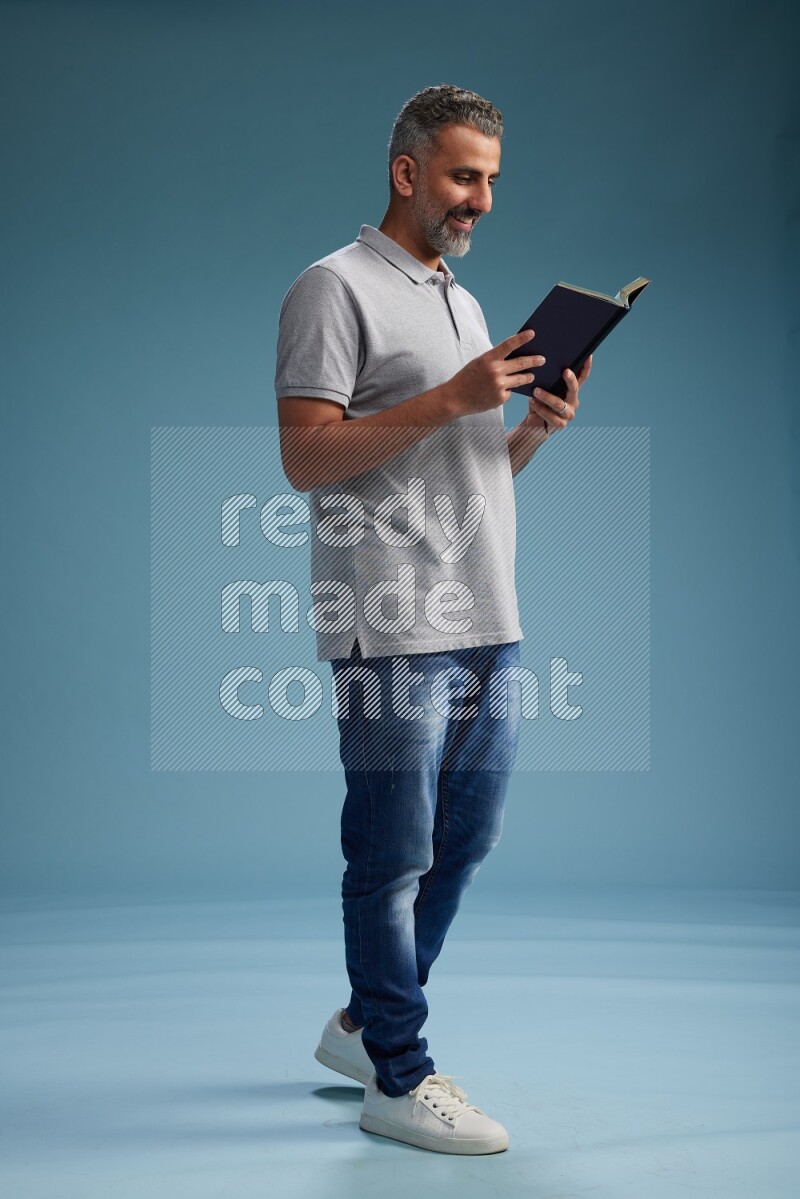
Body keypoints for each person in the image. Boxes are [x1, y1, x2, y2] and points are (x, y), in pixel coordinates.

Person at [275, 83, 591, 1155]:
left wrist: (530, 428)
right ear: (406, 171)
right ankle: (399, 1076)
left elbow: (460, 469)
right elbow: (307, 455)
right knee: (392, 849)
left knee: (466, 836)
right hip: (390, 616)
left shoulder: (458, 297)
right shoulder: (332, 288)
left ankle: (365, 1026)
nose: (482, 198)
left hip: (484, 609)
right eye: (464, 175)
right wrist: (453, 398)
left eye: (492, 178)